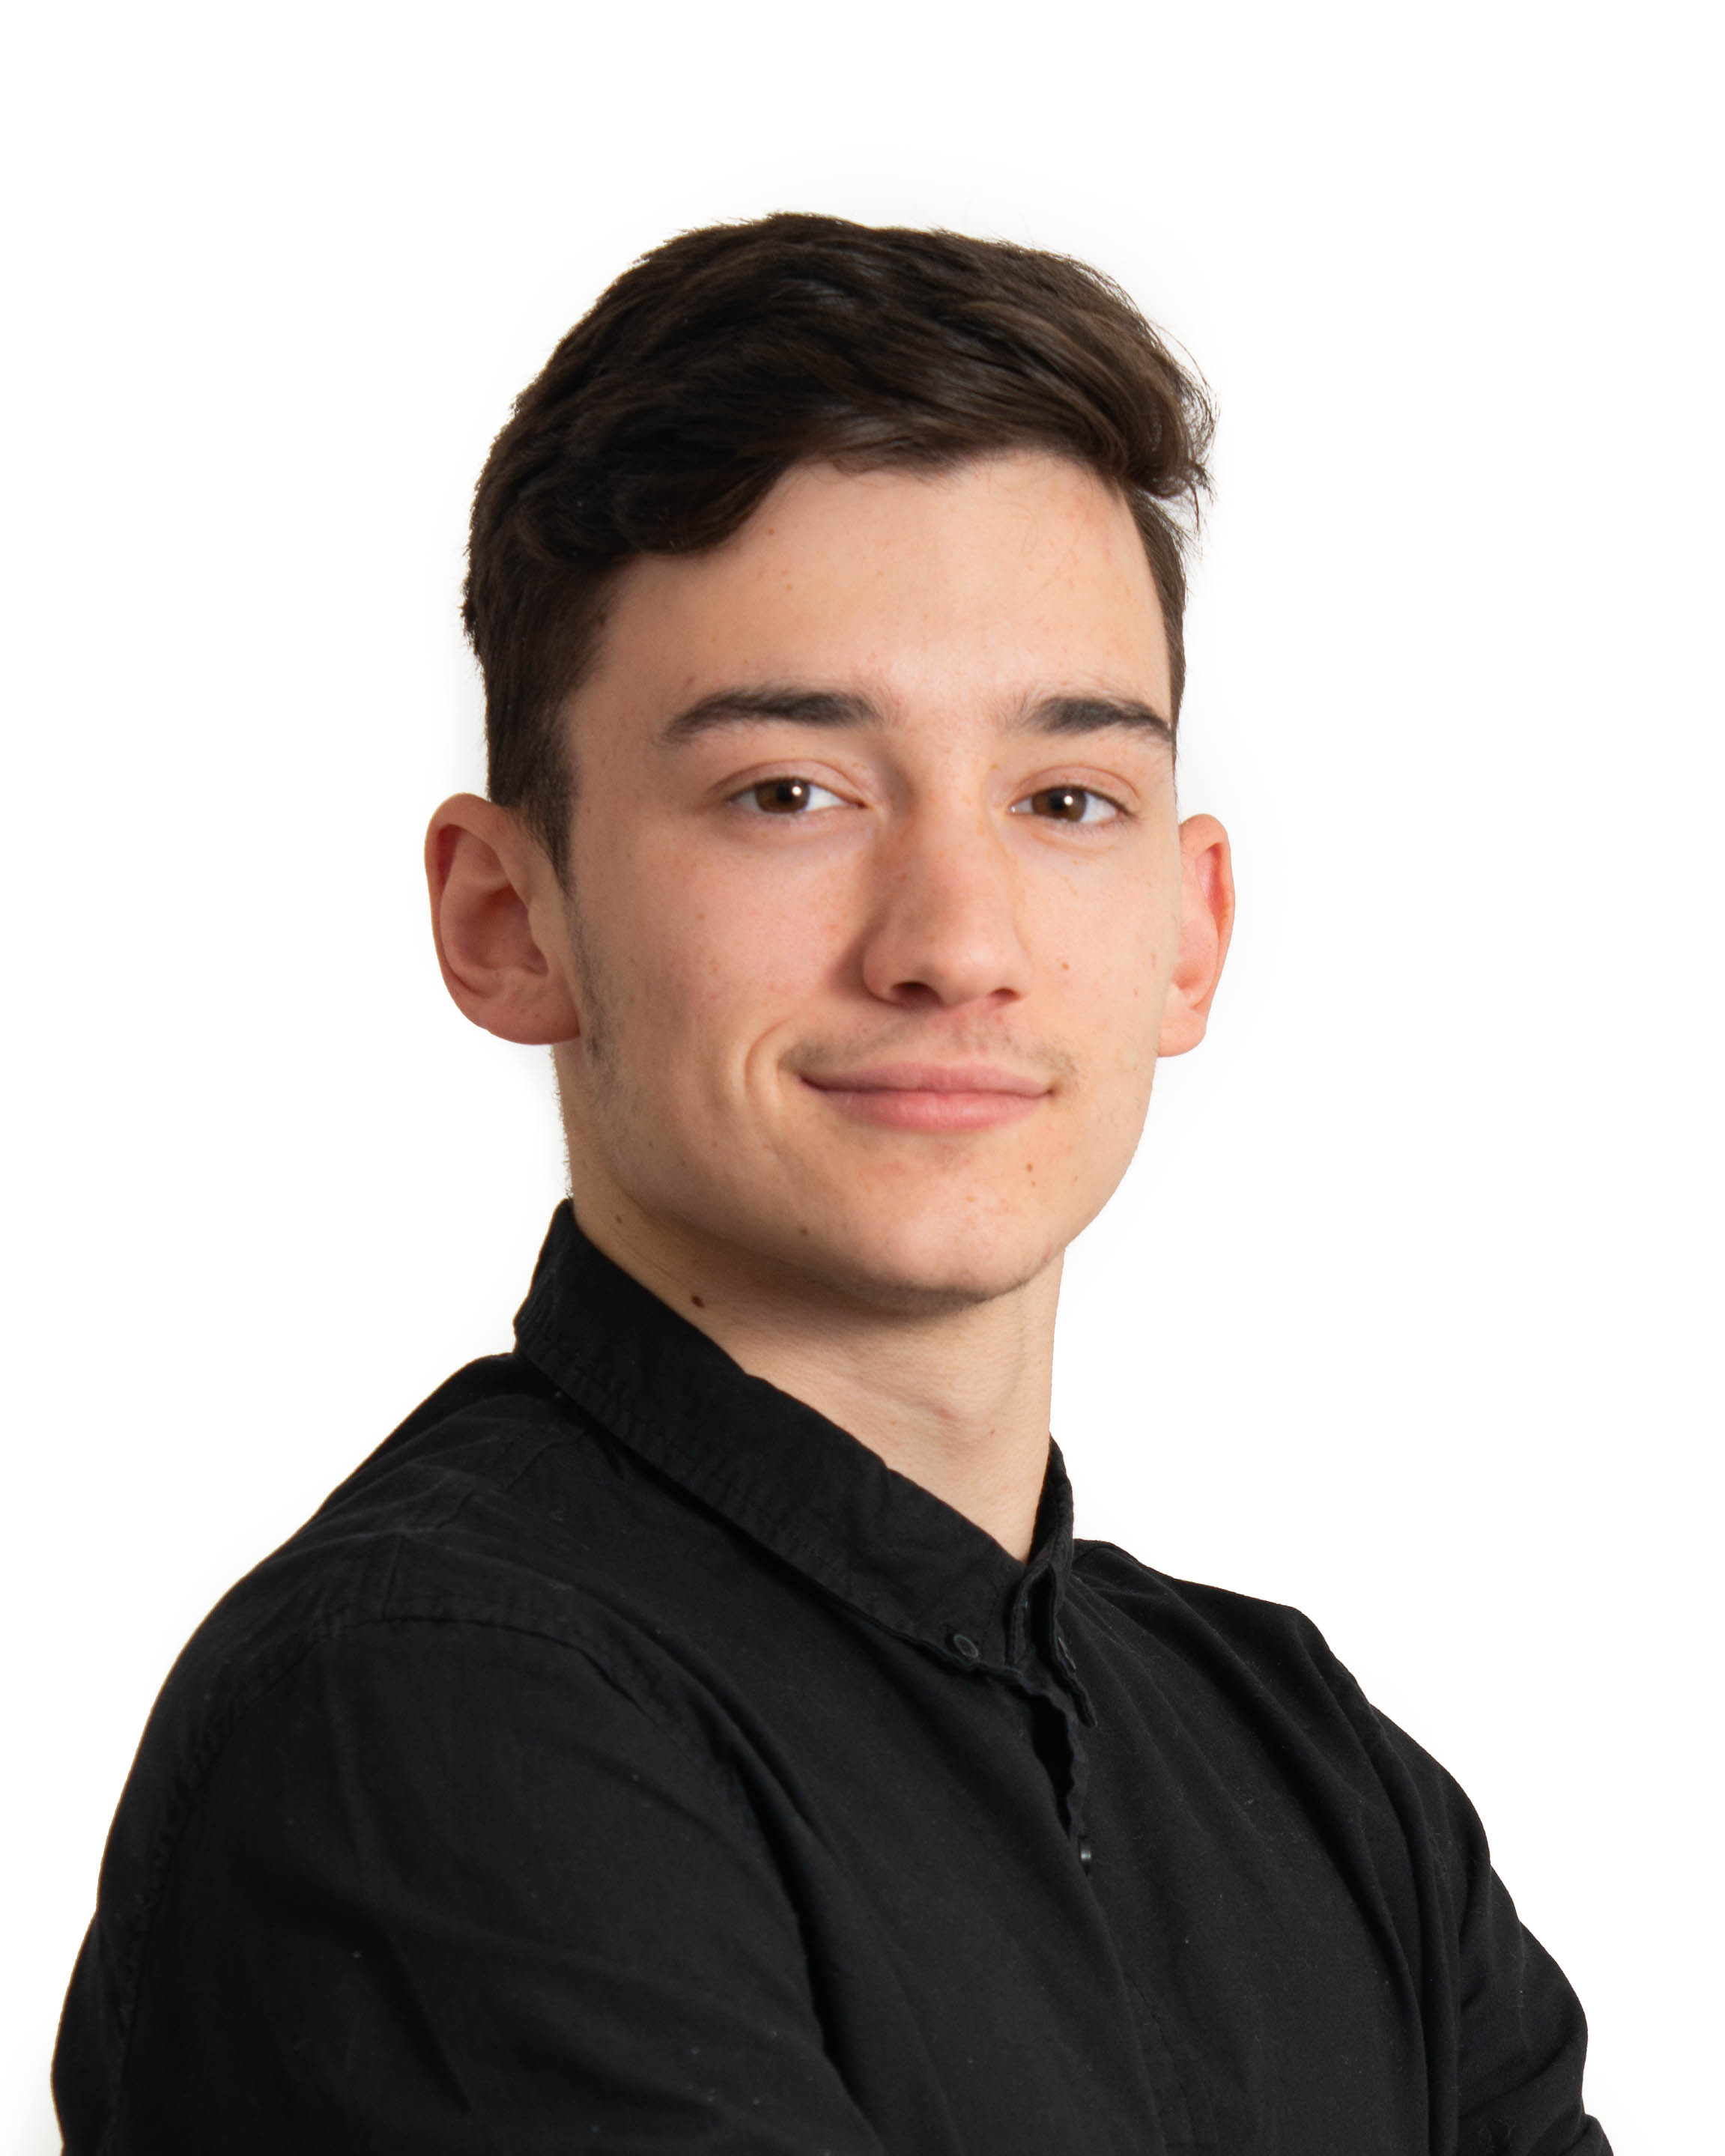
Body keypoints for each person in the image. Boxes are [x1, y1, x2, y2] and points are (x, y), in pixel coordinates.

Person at [52, 213, 1610, 2155]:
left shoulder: (1310, 1775)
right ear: (506, 917)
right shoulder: (429, 1718)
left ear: (1192, 928)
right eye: (791, 792)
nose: (955, 942)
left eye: (1066, 800)